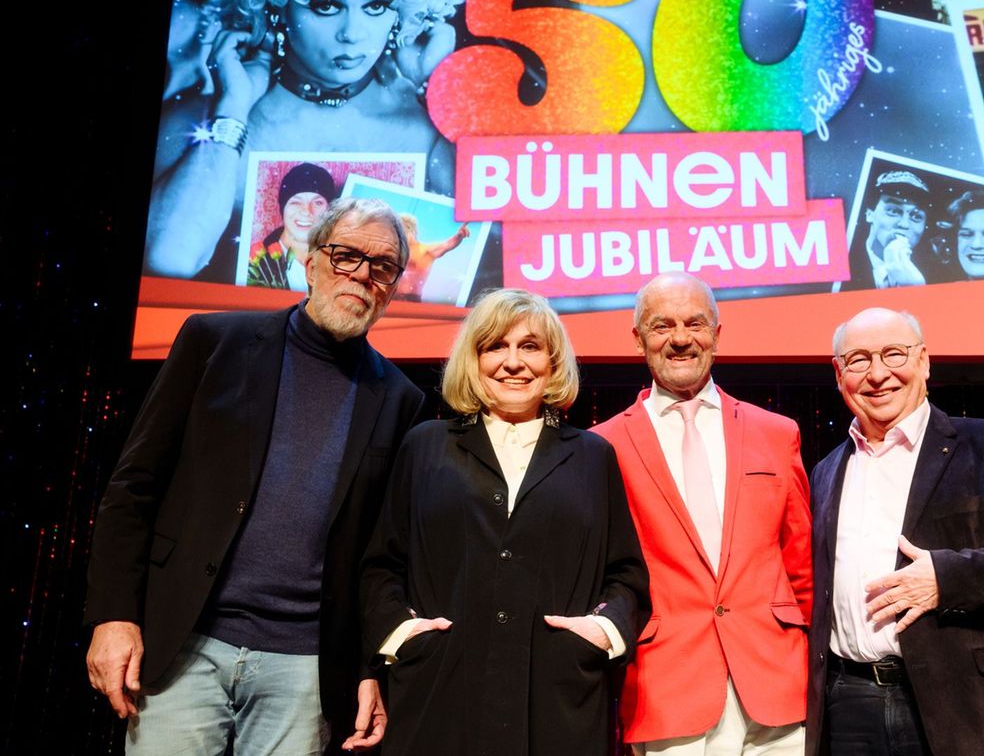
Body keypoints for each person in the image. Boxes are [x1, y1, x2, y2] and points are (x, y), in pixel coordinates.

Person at [84, 198, 425, 754]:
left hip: (305, 669)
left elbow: (376, 556)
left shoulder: (400, 399)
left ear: (393, 285)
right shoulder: (215, 342)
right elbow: (133, 487)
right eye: (346, 256)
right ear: (311, 260)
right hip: (184, 641)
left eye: (382, 266)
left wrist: (367, 668)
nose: (363, 275)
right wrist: (113, 616)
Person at [362, 288, 649, 755]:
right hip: (441, 696)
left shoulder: (593, 456)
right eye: (495, 346)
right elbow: (381, 567)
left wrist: (599, 635)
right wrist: (403, 637)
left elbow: (626, 578)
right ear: (472, 360)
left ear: (553, 362)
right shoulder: (425, 446)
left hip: (559, 705)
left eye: (530, 347)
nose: (513, 362)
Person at [807, 307, 984, 755]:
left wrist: (946, 578)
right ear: (839, 374)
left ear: (924, 362)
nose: (878, 374)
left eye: (894, 355)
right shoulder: (824, 472)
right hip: (850, 704)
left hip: (965, 701)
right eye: (859, 360)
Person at [145, 0, 463, 282]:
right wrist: (233, 109)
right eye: (325, 4)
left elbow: (505, 243)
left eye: (376, 5)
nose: (352, 34)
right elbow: (170, 259)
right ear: (274, 3)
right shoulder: (210, 119)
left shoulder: (430, 126)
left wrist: (442, 91)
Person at [592, 273, 812, 755]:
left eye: (695, 323)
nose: (680, 339)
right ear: (637, 340)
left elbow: (801, 563)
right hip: (666, 685)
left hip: (776, 680)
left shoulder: (776, 432)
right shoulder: (603, 445)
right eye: (661, 325)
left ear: (716, 333)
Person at [248, 162, 338, 290]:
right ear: (283, 209)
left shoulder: (342, 263)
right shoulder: (255, 265)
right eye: (296, 202)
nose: (307, 211)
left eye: (318, 203)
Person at [843, 170, 930, 290]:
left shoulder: (936, 275)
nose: (904, 224)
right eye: (893, 211)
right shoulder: (840, 265)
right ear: (869, 214)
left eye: (916, 216)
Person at [392, 214, 470, 301]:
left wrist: (459, 236)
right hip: (391, 297)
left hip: (411, 299)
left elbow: (448, 245)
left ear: (412, 231)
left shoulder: (425, 251)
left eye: (402, 231)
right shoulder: (394, 251)